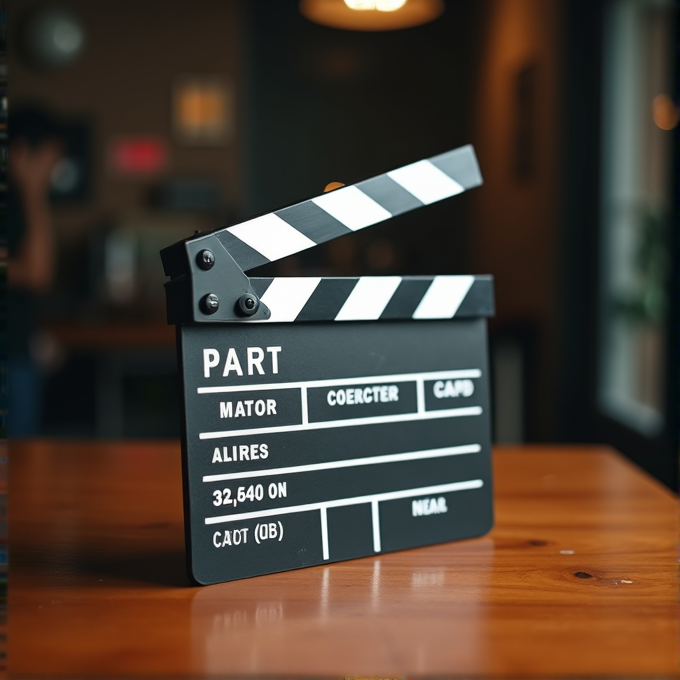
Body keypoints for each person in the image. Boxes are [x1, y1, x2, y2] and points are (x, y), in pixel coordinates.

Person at [6, 106, 62, 437]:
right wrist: (33, 192)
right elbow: (36, 273)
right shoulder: (18, 202)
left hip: (19, 352)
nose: (55, 170)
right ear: (21, 153)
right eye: (50, 158)